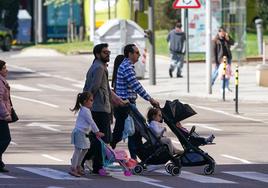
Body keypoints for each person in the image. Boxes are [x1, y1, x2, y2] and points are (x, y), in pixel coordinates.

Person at [82, 43, 126, 175]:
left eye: (109, 52)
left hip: (98, 107)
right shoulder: (100, 68)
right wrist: (87, 102)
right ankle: (88, 162)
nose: (108, 55)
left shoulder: (96, 66)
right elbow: (95, 87)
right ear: (97, 54)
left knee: (97, 139)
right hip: (100, 108)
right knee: (103, 139)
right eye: (105, 52)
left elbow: (105, 88)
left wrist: (117, 100)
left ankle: (92, 164)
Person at [110, 44, 159, 160]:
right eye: (136, 53)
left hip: (128, 104)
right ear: (130, 54)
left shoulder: (128, 66)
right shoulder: (127, 67)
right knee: (125, 132)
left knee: (135, 132)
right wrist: (150, 99)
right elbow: (136, 85)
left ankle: (137, 159)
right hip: (125, 105)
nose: (139, 55)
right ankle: (97, 152)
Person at [69, 92, 104, 177]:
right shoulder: (85, 111)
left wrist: (94, 131)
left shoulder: (85, 110)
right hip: (79, 132)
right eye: (91, 100)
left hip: (83, 133)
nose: (92, 102)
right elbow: (91, 122)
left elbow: (89, 124)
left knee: (85, 149)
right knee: (78, 150)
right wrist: (97, 132)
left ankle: (78, 165)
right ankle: (73, 168)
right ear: (85, 101)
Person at [0, 60, 12, 173]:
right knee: (6, 139)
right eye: (4, 68)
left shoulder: (2, 81)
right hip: (1, 116)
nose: (6, 70)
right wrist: (6, 114)